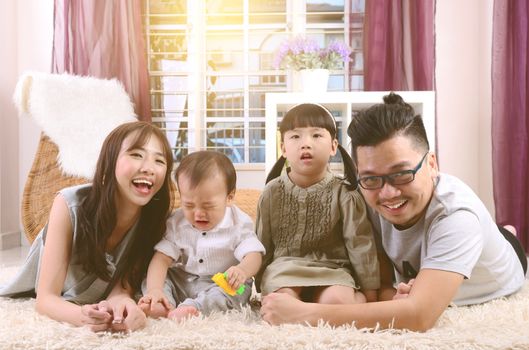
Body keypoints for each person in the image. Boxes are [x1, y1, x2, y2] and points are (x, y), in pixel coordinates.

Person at [259, 93, 527, 331]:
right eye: (372, 178)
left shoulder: (456, 216)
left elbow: (419, 316)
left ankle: (503, 236)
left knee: (495, 238)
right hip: (416, 267)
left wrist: (302, 314)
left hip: (499, 275)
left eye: (401, 174)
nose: (388, 193)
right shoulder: (360, 193)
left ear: (431, 164)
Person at [0, 121, 175, 332]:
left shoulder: (153, 218)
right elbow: (45, 299)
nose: (148, 168)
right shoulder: (68, 205)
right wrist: (83, 317)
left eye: (159, 160)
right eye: (137, 155)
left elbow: (121, 288)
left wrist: (124, 306)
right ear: (110, 162)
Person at [256, 103, 380, 307]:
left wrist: (370, 293)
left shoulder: (345, 193)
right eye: (295, 136)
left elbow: (360, 245)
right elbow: (262, 244)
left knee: (337, 302)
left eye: (316, 135)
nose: (305, 144)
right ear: (283, 148)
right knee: (281, 302)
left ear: (333, 146)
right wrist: (260, 286)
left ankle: (351, 300)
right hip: (284, 270)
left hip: (333, 270)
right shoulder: (272, 192)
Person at [138, 151, 265, 321]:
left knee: (241, 290)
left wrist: (242, 270)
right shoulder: (177, 222)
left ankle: (195, 308)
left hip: (221, 281)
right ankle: (162, 302)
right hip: (183, 279)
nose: (198, 213)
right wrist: (155, 289)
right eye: (189, 205)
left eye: (208, 205)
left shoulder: (238, 222)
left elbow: (254, 254)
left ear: (229, 197)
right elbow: (161, 258)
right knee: (154, 276)